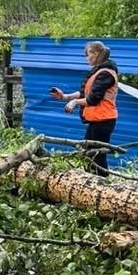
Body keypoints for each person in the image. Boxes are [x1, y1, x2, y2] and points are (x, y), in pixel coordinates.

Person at [49, 41, 118, 176]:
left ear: (96, 53)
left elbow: (93, 99)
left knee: (97, 156)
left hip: (104, 120)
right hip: (97, 120)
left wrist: (74, 102)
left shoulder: (106, 74)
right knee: (87, 153)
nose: (87, 58)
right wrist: (64, 96)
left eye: (88, 55)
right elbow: (84, 94)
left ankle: (102, 186)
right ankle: (91, 182)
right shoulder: (97, 72)